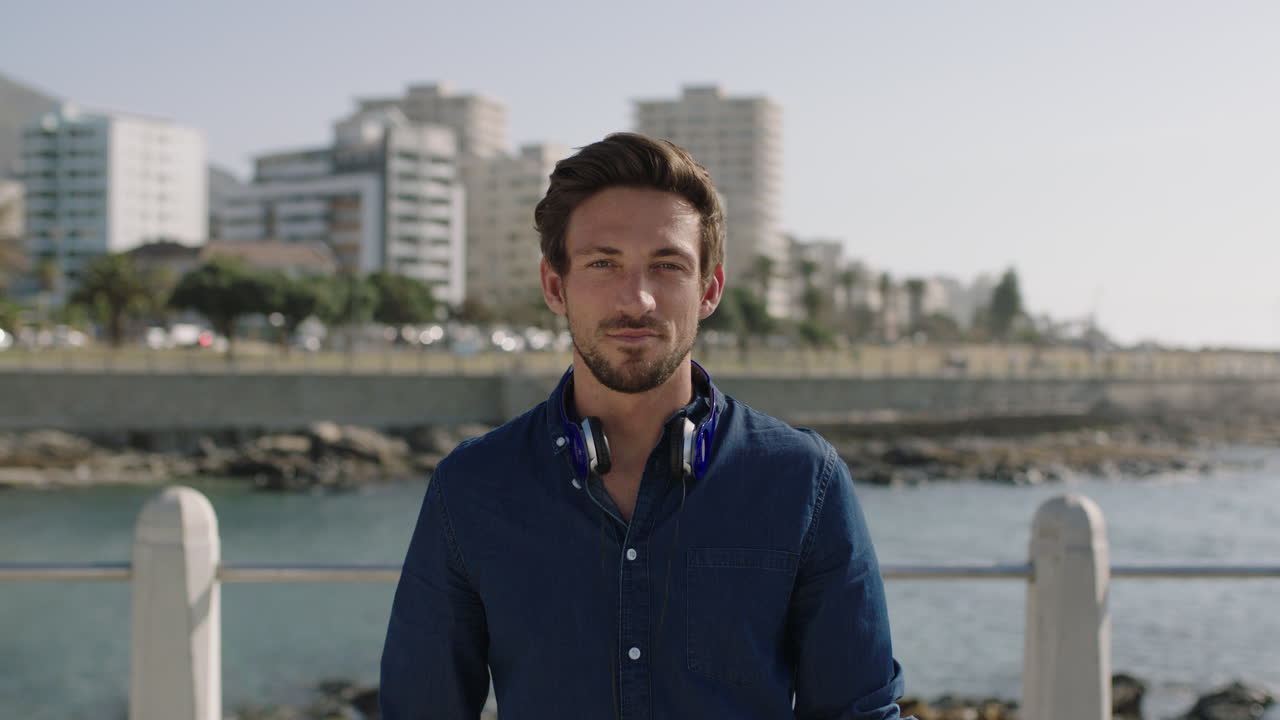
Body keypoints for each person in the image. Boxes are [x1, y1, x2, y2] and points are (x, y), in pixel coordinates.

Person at [380, 133, 909, 719]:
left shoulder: (804, 481)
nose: (638, 300)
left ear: (708, 289)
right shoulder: (472, 486)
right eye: (603, 264)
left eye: (667, 266)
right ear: (556, 286)